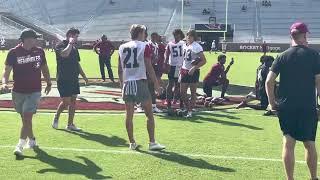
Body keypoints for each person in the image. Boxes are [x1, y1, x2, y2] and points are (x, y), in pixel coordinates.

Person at [266, 22, 319, 180]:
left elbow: (269, 81)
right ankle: (314, 177)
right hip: (307, 106)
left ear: (292, 36)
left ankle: (290, 178)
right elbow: (319, 82)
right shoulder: (314, 55)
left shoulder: (282, 56)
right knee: (309, 143)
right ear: (304, 35)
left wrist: (272, 103)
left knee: (288, 143)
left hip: (286, 106)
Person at [1, 29, 52, 156]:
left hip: (34, 90)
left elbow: (44, 68)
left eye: (34, 39)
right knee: (25, 119)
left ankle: (20, 146)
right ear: (24, 39)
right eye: (31, 38)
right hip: (18, 91)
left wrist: (49, 82)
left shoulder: (40, 51)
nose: (33, 41)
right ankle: (32, 139)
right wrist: (4, 82)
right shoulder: (13, 52)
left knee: (27, 116)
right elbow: (6, 70)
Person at [118, 24, 165, 151]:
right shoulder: (144, 46)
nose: (145, 35)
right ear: (140, 33)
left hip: (128, 83)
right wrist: (156, 84)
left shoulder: (122, 47)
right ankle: (152, 142)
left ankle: (132, 142)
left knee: (129, 115)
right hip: (140, 82)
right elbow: (149, 67)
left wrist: (122, 85)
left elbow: (120, 69)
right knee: (149, 114)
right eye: (144, 33)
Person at [52, 28, 89, 131]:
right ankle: (56, 116)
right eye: (75, 36)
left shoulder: (74, 48)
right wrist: (70, 44)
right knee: (66, 102)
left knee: (73, 101)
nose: (77, 38)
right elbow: (64, 54)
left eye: (77, 36)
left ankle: (70, 124)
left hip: (73, 78)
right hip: (63, 78)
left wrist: (84, 76)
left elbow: (77, 63)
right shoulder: (60, 45)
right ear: (69, 35)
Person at [180, 30, 206, 118]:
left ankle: (190, 111)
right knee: (182, 92)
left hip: (193, 72)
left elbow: (204, 60)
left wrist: (194, 68)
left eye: (191, 36)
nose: (189, 38)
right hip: (184, 70)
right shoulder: (185, 45)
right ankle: (188, 108)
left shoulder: (197, 46)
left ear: (194, 37)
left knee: (192, 92)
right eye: (188, 36)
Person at [164, 29, 185, 110]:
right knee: (171, 84)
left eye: (177, 34)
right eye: (175, 34)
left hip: (180, 66)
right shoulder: (170, 44)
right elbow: (167, 53)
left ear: (180, 34)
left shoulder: (183, 43)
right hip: (173, 65)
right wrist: (165, 63)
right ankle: (169, 101)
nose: (176, 36)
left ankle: (177, 100)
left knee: (179, 85)